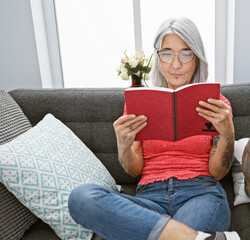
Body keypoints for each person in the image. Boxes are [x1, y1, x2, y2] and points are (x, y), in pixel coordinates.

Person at [68, 17, 240, 240]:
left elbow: (218, 172)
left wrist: (227, 132)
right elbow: (134, 170)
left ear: (196, 58)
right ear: (158, 59)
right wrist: (123, 144)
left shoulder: (218, 104)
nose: (175, 64)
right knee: (81, 198)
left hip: (201, 194)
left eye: (186, 53)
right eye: (167, 53)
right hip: (149, 199)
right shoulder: (140, 102)